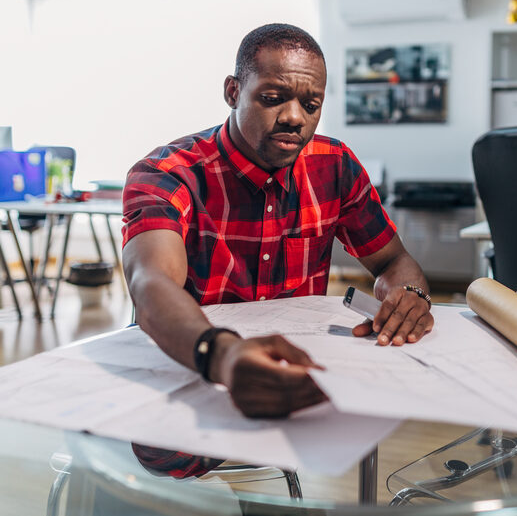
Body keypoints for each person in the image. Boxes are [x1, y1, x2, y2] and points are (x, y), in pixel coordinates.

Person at [122, 23, 434, 419]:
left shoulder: (334, 166)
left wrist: (409, 294)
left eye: (311, 105)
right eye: (272, 98)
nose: (294, 118)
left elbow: (393, 260)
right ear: (233, 92)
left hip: (295, 380)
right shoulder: (169, 173)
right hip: (187, 377)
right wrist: (222, 355)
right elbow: (150, 283)